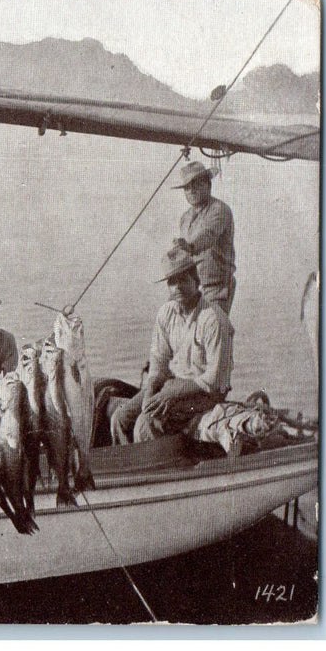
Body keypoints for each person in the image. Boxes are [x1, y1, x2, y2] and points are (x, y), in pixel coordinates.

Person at [111, 248, 233, 444]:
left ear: (197, 281)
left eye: (183, 279)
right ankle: (131, 466)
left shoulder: (213, 319)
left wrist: (171, 394)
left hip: (204, 393)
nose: (177, 287)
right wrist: (149, 394)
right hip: (171, 386)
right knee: (120, 418)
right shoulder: (166, 313)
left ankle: (158, 469)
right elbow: (159, 361)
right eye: (172, 282)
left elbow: (215, 379)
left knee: (146, 422)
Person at [171, 160, 236, 314]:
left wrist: (191, 247)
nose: (191, 190)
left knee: (213, 327)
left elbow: (209, 234)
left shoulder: (219, 210)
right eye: (187, 188)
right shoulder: (185, 218)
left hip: (217, 287)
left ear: (208, 184)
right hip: (192, 288)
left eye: (197, 184)